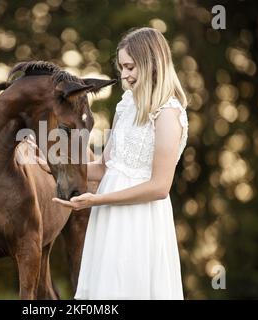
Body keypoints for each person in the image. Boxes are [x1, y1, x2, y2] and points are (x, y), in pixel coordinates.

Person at [52, 27, 188, 300]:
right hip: (108, 218)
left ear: (152, 63)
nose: (124, 75)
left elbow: (160, 187)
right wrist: (47, 163)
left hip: (140, 222)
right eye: (122, 67)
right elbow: (104, 167)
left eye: (130, 67)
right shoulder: (126, 105)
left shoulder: (168, 114)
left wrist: (96, 201)